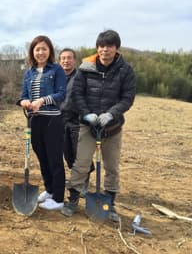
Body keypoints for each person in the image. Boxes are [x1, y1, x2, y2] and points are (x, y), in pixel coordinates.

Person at [61, 30, 136, 222]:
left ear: (116, 48)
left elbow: (127, 98)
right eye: (101, 46)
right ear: (97, 48)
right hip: (88, 125)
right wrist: (86, 113)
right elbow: (78, 94)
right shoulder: (86, 68)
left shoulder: (125, 70)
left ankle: (109, 204)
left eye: (109, 46)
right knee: (81, 164)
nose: (105, 50)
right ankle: (73, 199)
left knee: (112, 167)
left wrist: (112, 114)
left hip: (112, 128)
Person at [18, 35, 67, 211]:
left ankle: (59, 197)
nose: (40, 52)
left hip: (52, 120)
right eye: (37, 49)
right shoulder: (29, 72)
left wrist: (43, 100)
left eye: (44, 49)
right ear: (32, 51)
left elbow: (61, 94)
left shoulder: (56, 70)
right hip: (35, 121)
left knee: (54, 158)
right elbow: (23, 95)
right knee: (42, 157)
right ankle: (50, 190)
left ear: (49, 51)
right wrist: (24, 101)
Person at [59, 48, 94, 195]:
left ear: (74, 60)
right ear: (60, 61)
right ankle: (76, 179)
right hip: (61, 121)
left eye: (69, 58)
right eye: (63, 58)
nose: (66, 61)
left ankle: (83, 182)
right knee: (67, 154)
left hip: (77, 121)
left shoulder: (80, 76)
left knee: (80, 155)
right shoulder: (57, 77)